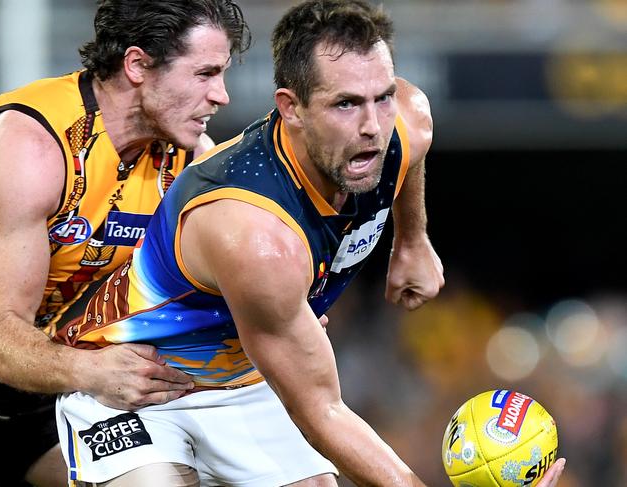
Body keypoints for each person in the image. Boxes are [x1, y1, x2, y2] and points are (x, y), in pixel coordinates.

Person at [54, 1, 565, 486]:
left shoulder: (404, 121)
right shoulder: (253, 232)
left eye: (379, 96)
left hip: (247, 377)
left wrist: (411, 241)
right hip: (135, 383)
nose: (371, 126)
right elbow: (322, 408)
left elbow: (410, 135)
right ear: (290, 108)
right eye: (345, 104)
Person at [0, 1, 250, 486]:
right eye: (205, 73)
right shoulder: (36, 144)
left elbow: (236, 282)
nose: (222, 96)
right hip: (9, 364)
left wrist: (277, 302)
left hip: (54, 389)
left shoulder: (191, 162)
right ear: (138, 65)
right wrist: (96, 373)